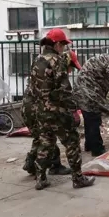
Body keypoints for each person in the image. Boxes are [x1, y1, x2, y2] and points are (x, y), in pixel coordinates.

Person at [23, 28, 95, 190]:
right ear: (56, 45)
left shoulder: (37, 60)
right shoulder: (58, 60)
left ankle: (41, 179)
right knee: (72, 142)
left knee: (46, 143)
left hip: (41, 110)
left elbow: (33, 88)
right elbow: (64, 90)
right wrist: (73, 110)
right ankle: (78, 178)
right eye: (63, 45)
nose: (63, 48)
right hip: (58, 111)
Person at [22, 49, 82, 176]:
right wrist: (73, 111)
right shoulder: (58, 70)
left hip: (29, 107)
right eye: (71, 67)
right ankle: (53, 166)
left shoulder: (45, 67)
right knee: (48, 138)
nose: (71, 71)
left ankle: (32, 164)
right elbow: (63, 94)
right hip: (37, 108)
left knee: (42, 137)